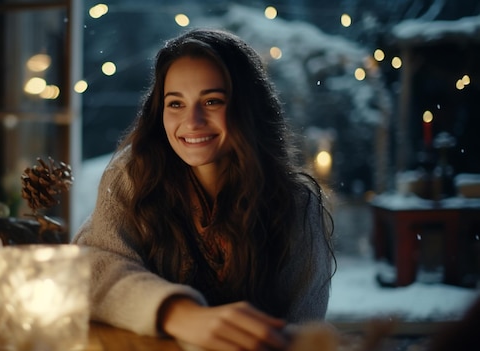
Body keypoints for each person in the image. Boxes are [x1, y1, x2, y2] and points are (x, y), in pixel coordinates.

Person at [73, 28, 335, 351]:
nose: (192, 120)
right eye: (175, 104)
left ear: (246, 107)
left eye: (212, 101)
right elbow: (89, 268)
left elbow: (302, 333)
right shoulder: (134, 175)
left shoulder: (296, 204)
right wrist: (179, 312)